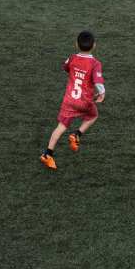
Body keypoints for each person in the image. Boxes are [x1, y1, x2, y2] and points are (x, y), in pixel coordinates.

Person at [40, 30, 105, 171]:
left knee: (61, 127)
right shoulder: (95, 64)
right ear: (94, 45)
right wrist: (102, 93)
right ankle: (76, 134)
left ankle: (47, 154)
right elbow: (98, 81)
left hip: (69, 101)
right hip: (85, 102)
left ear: (76, 44)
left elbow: (65, 68)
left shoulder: (72, 58)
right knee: (93, 116)